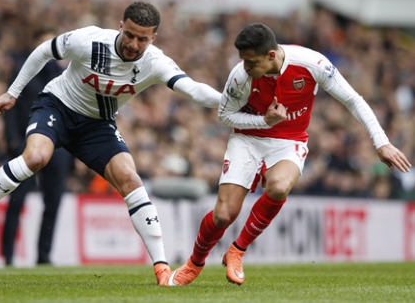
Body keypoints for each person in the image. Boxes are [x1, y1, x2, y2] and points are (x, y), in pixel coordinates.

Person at [0, 2, 221, 285]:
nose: (134, 44)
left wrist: (230, 101)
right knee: (36, 157)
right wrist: (12, 93)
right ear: (120, 26)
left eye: (143, 39)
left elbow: (195, 90)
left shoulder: (155, 62)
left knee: (130, 177)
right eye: (130, 34)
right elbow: (43, 50)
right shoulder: (89, 40)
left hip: (97, 125)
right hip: (58, 106)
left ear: (154, 39)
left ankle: (163, 270)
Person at [168, 23, 412, 286]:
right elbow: (224, 115)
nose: (246, 68)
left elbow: (353, 99)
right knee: (224, 215)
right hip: (247, 138)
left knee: (279, 186)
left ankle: (237, 250)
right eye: (243, 62)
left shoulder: (312, 63)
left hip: (289, 139)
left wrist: (381, 142)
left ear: (271, 55)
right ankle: (194, 264)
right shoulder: (240, 76)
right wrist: (265, 121)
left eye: (251, 62)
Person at [1, 28, 72, 266]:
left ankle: (44, 255)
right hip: (25, 143)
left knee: (53, 201)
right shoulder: (22, 70)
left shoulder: (64, 73)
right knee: (17, 200)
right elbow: (10, 107)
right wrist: (13, 141)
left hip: (57, 145)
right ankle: (8, 254)